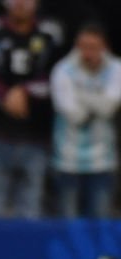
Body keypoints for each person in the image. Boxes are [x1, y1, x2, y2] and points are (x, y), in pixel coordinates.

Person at [0, 0, 59, 218]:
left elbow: (53, 80)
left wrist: (23, 91)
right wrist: (6, 96)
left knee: (30, 210)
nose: (21, 3)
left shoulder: (48, 40)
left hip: (34, 136)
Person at [50, 23, 121, 218]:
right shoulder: (62, 70)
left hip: (103, 161)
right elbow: (75, 116)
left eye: (94, 47)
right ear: (76, 47)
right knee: (69, 226)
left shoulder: (116, 69)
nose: (88, 53)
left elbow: (108, 110)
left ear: (104, 47)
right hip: (67, 160)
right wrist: (98, 96)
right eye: (84, 47)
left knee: (100, 224)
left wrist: (80, 93)